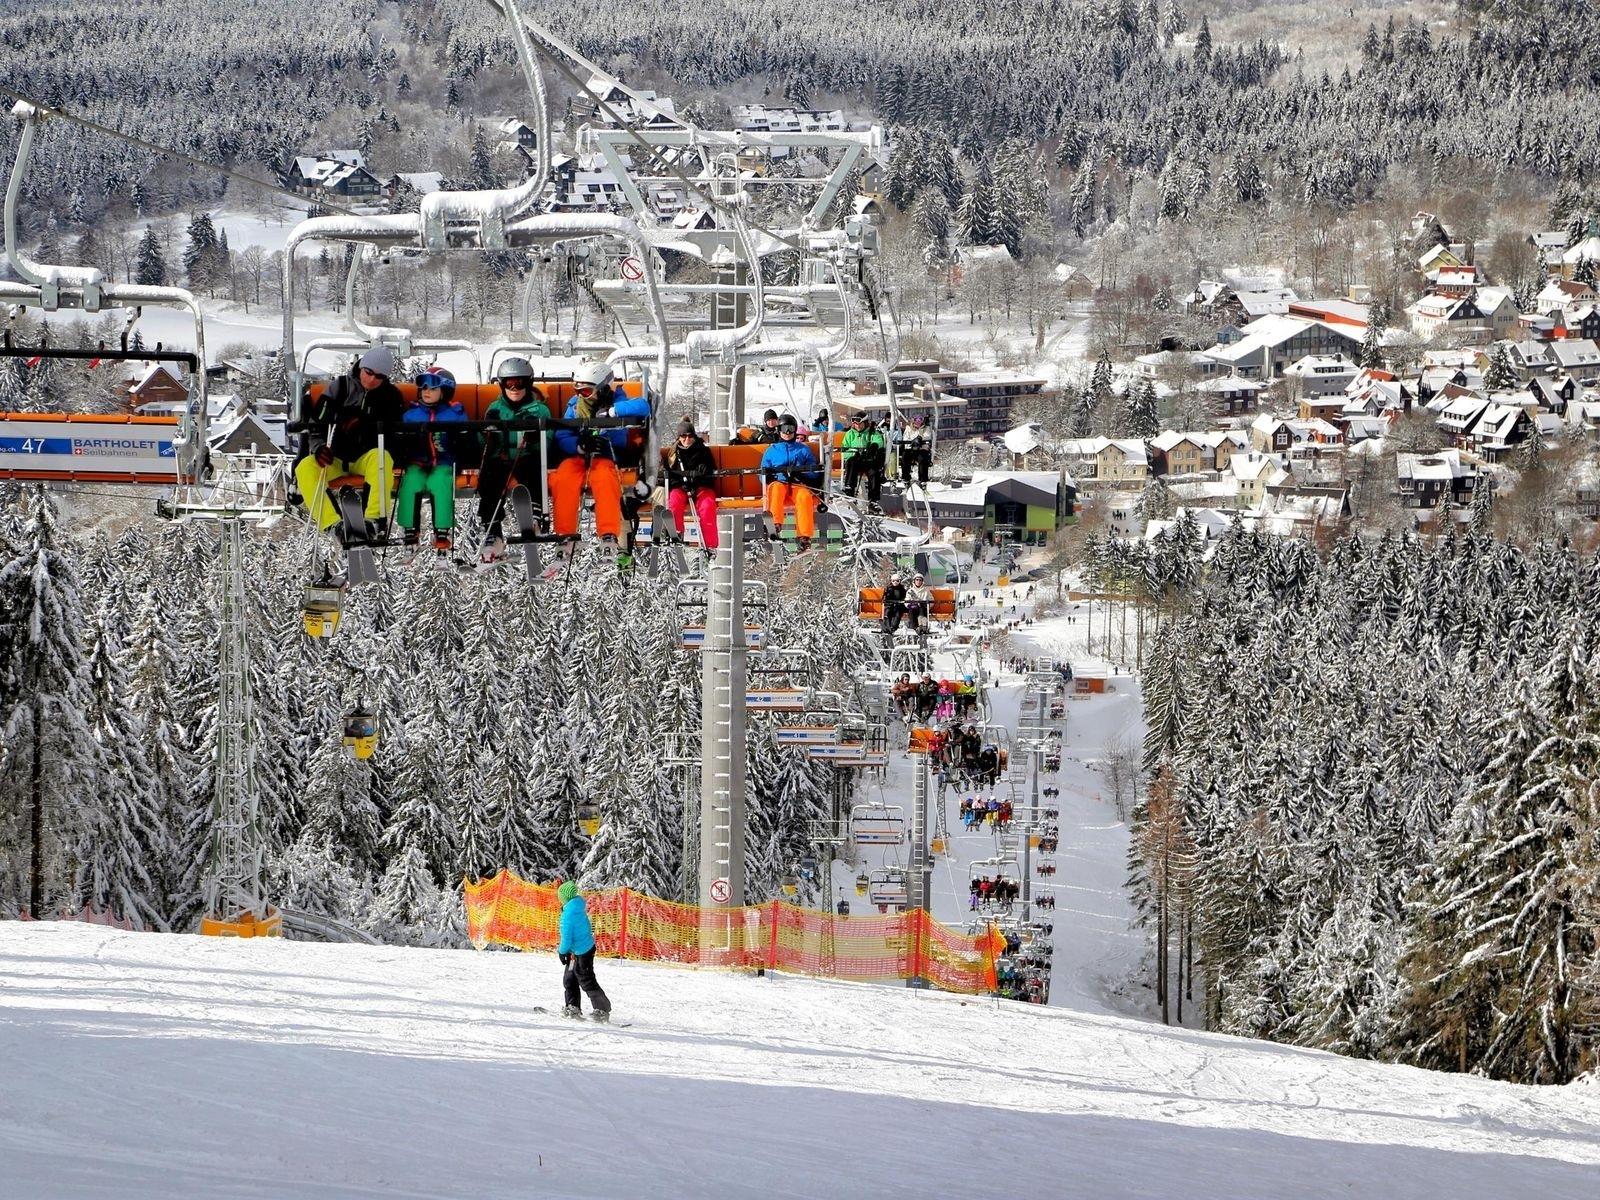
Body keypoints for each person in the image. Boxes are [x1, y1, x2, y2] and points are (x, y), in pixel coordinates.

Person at [296, 344, 405, 538]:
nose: (371, 380)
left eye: (379, 376)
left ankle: (374, 519)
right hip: (335, 458)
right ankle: (331, 523)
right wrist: (319, 447)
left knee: (381, 459)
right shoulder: (340, 388)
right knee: (305, 468)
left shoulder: (390, 397)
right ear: (361, 367)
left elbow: (393, 433)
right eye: (368, 372)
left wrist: (366, 422)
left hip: (365, 457)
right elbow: (317, 424)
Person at [551, 362, 647, 552]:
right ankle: (565, 534)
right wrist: (578, 446)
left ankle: (608, 532)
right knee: (563, 477)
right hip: (580, 455)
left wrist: (612, 412)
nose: (580, 395)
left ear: (602, 388)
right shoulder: (575, 406)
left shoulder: (617, 401)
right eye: (577, 391)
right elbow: (562, 434)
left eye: (586, 391)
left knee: (605, 478)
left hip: (606, 455)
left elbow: (642, 406)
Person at [477, 357, 552, 560]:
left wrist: (536, 437)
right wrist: (488, 435)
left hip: (527, 456)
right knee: (489, 477)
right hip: (501, 459)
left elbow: (549, 440)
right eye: (509, 384)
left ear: (528, 383)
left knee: (532, 468)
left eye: (519, 383)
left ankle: (535, 516)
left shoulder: (539, 410)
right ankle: (493, 531)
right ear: (502, 385)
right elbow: (482, 444)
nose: (514, 388)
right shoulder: (495, 409)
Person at [395, 367, 470, 553]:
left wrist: (460, 449)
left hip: (444, 461)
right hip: (418, 461)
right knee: (411, 480)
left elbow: (467, 440)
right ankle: (410, 529)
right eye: (424, 387)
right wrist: (404, 449)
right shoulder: (411, 415)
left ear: (445, 392)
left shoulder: (455, 414)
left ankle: (442, 531)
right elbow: (399, 440)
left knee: (440, 482)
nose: (426, 391)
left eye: (433, 388)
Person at [758, 414, 821, 550]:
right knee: (776, 490)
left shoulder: (803, 449)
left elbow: (815, 472)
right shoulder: (772, 450)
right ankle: (775, 523)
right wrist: (769, 477)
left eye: (790, 429)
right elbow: (762, 472)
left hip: (797, 484)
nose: (787, 432)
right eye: (784, 429)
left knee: (804, 496)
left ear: (795, 430)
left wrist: (802, 473)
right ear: (778, 430)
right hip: (779, 483)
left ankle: (804, 536)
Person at [556, 880, 612, 1021]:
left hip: (582, 953)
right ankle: (572, 1006)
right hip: (575, 952)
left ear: (565, 898)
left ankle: (602, 1009)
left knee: (586, 980)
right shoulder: (576, 907)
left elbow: (566, 938)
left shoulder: (568, 915)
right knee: (570, 979)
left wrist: (562, 952)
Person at [664, 419, 720, 550]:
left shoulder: (703, 451)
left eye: (690, 436)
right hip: (681, 487)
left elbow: (710, 472)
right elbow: (669, 474)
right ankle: (676, 534)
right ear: (679, 437)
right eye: (683, 436)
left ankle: (710, 544)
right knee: (674, 502)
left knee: (707, 506)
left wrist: (699, 478)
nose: (687, 439)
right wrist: (679, 484)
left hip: (701, 487)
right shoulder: (673, 453)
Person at [841, 412, 886, 504]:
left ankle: (873, 499)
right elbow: (844, 449)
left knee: (873, 472)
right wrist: (853, 454)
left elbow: (879, 440)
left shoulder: (872, 432)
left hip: (868, 461)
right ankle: (849, 488)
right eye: (855, 424)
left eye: (859, 424)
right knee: (851, 462)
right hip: (855, 461)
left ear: (865, 423)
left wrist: (874, 446)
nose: (857, 426)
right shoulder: (849, 434)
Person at [898, 413, 933, 486]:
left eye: (920, 419)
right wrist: (913, 441)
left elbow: (927, 436)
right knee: (905, 456)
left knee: (922, 459)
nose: (918, 422)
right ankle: (906, 477)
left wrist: (919, 439)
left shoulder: (925, 428)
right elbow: (906, 438)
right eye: (916, 419)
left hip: (921, 449)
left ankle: (923, 479)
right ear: (913, 420)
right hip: (911, 449)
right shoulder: (908, 428)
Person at [881, 571, 908, 636]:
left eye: (897, 581)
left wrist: (900, 602)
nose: (895, 582)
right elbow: (886, 598)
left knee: (897, 614)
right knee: (888, 612)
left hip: (899, 606)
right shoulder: (889, 589)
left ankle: (893, 627)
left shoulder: (902, 589)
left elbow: (904, 598)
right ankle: (886, 625)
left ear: (899, 581)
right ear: (891, 581)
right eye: (893, 581)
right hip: (890, 605)